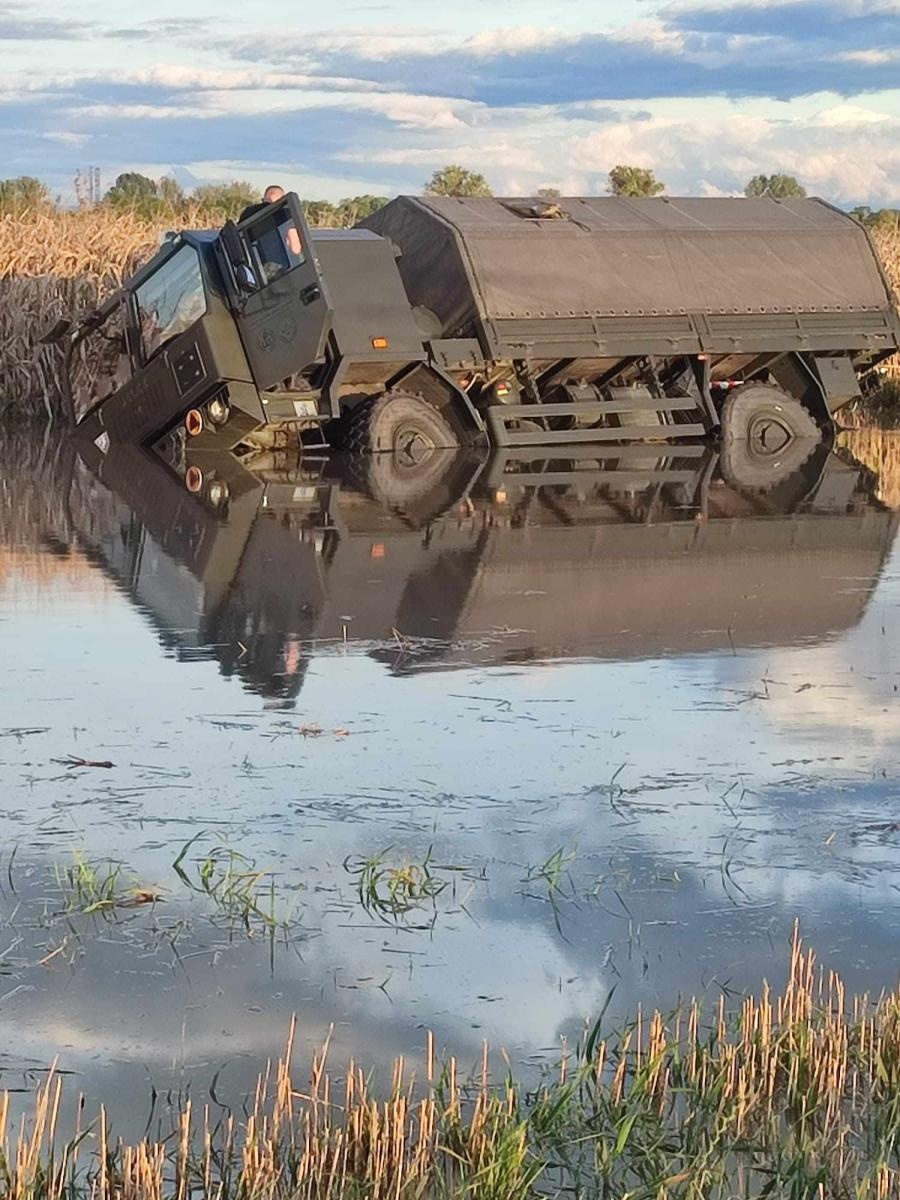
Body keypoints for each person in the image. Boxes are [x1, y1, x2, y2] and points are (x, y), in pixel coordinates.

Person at [238, 184, 303, 260]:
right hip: (282, 263)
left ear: (263, 200)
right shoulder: (287, 215)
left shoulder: (249, 213)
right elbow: (295, 249)